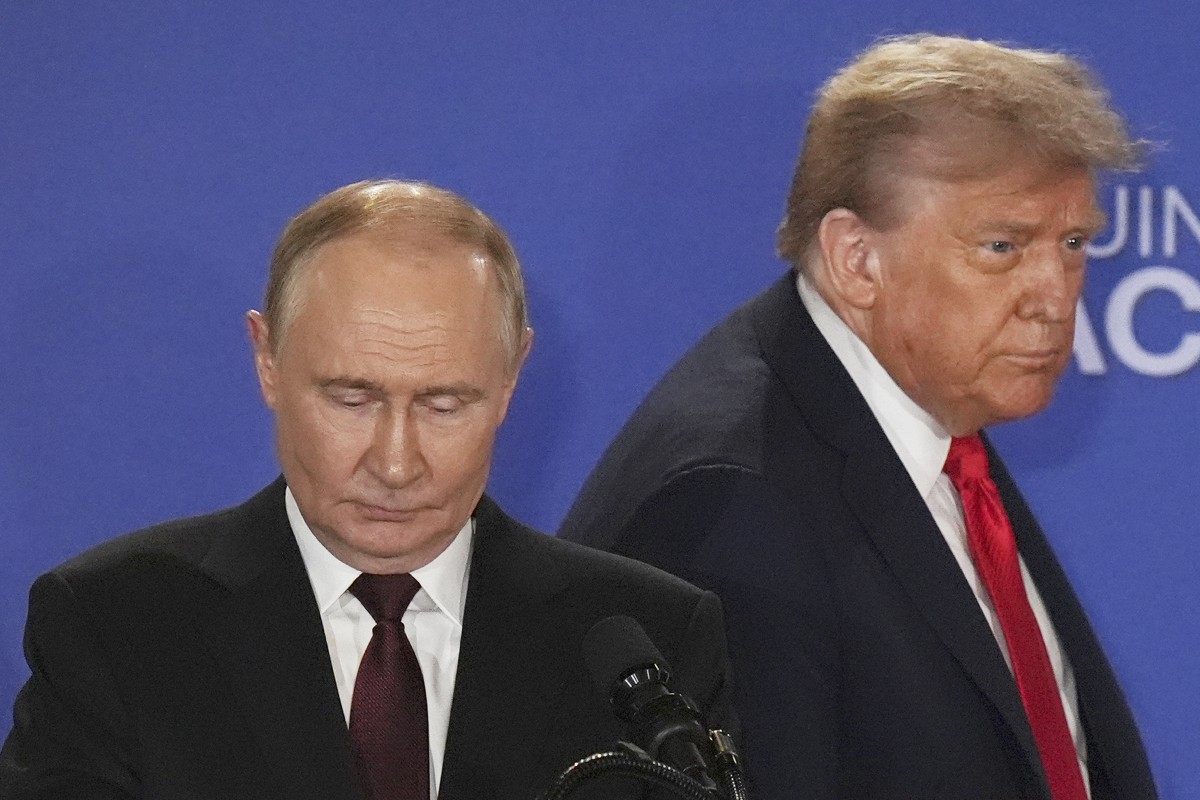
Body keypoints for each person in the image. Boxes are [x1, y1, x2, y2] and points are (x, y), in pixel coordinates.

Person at [560, 34, 1157, 800]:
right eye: (1003, 245)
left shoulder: (925, 411)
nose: (1055, 294)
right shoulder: (732, 506)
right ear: (856, 260)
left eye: (1073, 242)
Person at [0, 180, 734, 800]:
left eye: (444, 404)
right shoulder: (116, 629)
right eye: (352, 399)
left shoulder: (655, 646)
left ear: (512, 377)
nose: (396, 463)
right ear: (267, 360)